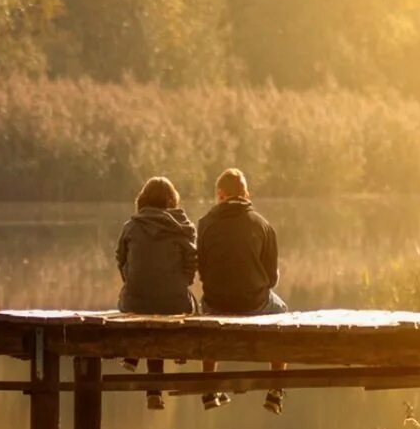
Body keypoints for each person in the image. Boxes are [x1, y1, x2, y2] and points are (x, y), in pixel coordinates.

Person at [197, 168, 290, 414]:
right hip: (255, 302)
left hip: (216, 301)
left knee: (207, 311)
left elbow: (203, 273)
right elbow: (271, 279)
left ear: (220, 194)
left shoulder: (204, 224)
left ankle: (208, 388)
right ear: (246, 194)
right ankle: (276, 390)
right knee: (281, 311)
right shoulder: (263, 225)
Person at [115, 176, 197, 410]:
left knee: (148, 306)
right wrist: (182, 282)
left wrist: (132, 281)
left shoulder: (131, 226)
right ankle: (167, 367)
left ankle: (136, 359)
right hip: (174, 302)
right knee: (182, 305)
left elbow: (120, 259)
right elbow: (192, 262)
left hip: (134, 301)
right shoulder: (182, 227)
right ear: (172, 201)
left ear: (143, 199)